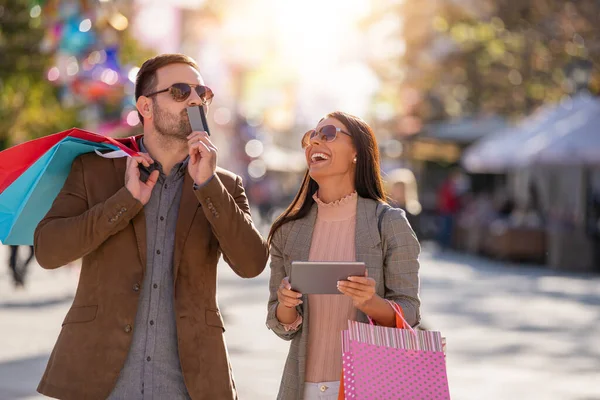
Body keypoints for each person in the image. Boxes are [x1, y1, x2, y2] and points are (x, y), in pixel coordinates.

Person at [33, 53, 269, 400]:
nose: (194, 99)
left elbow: (252, 264)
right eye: (179, 91)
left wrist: (209, 187)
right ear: (145, 106)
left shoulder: (225, 185)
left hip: (191, 385)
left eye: (201, 92)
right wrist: (125, 200)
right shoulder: (95, 169)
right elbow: (49, 251)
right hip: (97, 379)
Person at [266, 111, 421, 400]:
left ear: (357, 153)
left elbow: (409, 313)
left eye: (327, 134)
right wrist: (286, 304)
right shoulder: (288, 230)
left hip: (370, 387)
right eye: (310, 137)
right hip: (302, 389)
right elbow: (279, 323)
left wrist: (370, 302)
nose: (314, 142)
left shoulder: (388, 223)